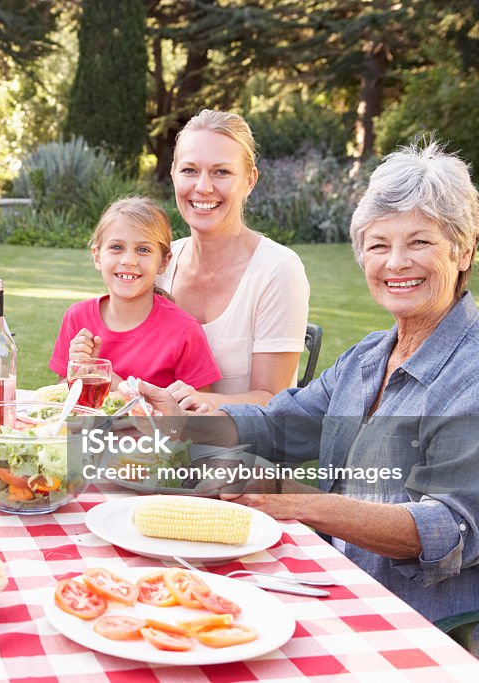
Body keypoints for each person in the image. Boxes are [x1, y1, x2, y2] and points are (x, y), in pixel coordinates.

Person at [128, 141, 479, 646]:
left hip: (408, 625)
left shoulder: (469, 374)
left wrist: (291, 501)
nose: (396, 263)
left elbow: (447, 531)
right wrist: (184, 423)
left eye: (420, 243)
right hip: (325, 580)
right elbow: (278, 424)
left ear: (463, 250)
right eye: (379, 245)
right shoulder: (368, 357)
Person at [158, 109, 310, 412]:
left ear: (249, 180)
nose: (203, 187)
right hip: (162, 444)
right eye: (189, 170)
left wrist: (200, 404)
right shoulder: (159, 263)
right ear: (173, 173)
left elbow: (273, 399)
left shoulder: (277, 269)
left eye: (221, 172)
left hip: (242, 448)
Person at [49, 196, 220, 391]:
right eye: (116, 247)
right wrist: (79, 371)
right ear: (97, 256)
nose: (129, 260)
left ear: (163, 262)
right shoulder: (77, 317)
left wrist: (111, 382)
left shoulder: (185, 331)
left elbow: (199, 414)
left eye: (143, 249)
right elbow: (60, 396)